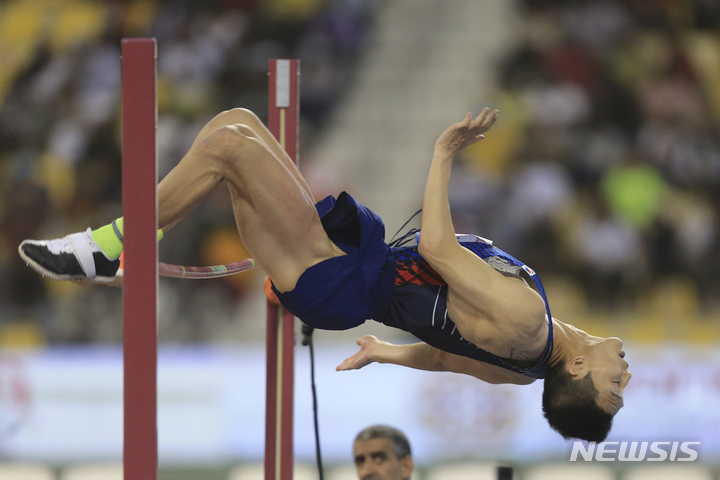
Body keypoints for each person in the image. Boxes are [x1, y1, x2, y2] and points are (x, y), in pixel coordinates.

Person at [18, 107, 631, 442]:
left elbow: (441, 251)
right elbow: (445, 359)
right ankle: (129, 242)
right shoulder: (528, 364)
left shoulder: (529, 324)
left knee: (231, 143)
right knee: (233, 132)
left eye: (613, 387)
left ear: (576, 369)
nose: (625, 375)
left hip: (344, 277)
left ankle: (110, 246)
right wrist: (384, 352)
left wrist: (443, 153)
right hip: (347, 285)